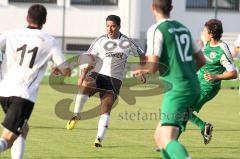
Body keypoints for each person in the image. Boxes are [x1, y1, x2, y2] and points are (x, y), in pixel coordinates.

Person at [133, 0, 206, 158]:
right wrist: (186, 73)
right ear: (171, 8)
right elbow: (201, 60)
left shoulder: (156, 29)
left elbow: (152, 67)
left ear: (153, 8)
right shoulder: (183, 28)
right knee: (159, 137)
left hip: (178, 90)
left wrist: (142, 70)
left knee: (166, 138)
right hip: (193, 86)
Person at [0, 4, 71, 158]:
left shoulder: (11, 34)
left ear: (27, 18)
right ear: (44, 20)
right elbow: (66, 70)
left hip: (4, 92)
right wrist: (58, 70)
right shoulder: (49, 40)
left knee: (23, 129)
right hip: (23, 96)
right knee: (7, 139)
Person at [66, 15, 145, 147]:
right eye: (108, 26)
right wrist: (82, 76)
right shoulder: (100, 40)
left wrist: (141, 69)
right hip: (97, 74)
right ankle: (76, 115)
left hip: (114, 79)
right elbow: (88, 58)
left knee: (106, 107)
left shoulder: (127, 42)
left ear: (119, 26)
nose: (110, 29)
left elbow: (142, 54)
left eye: (113, 26)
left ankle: (98, 139)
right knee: (86, 84)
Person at [189, 19, 238, 144]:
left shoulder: (222, 48)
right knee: (181, 110)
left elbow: (233, 73)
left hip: (208, 88)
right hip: (197, 84)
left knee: (182, 110)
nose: (202, 32)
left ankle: (170, 141)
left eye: (204, 31)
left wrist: (215, 76)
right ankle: (203, 127)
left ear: (211, 34)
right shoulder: (207, 44)